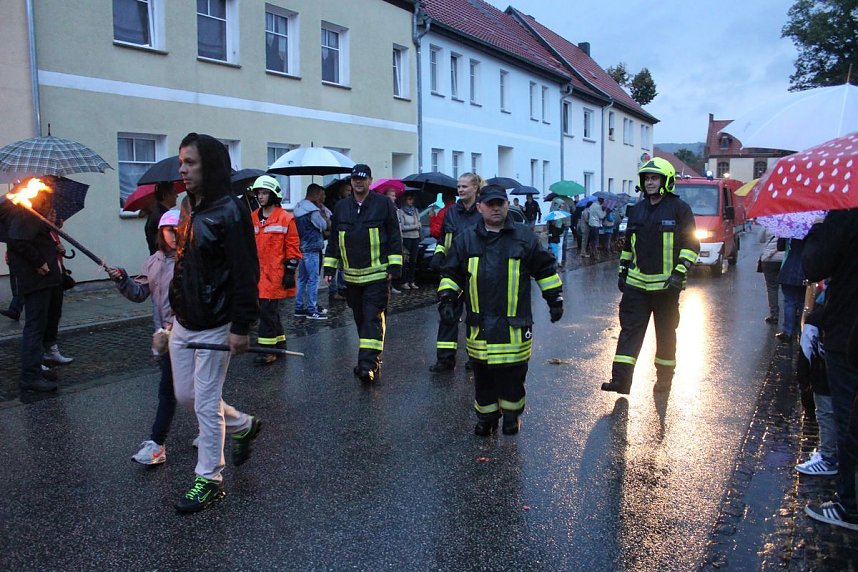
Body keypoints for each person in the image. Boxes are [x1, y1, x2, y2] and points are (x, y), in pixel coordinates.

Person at [168, 132, 261, 513]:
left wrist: (241, 326)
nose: (183, 170)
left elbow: (246, 272)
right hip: (184, 321)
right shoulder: (187, 207)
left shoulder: (231, 210)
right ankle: (243, 425)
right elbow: (184, 264)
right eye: (181, 163)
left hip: (217, 322)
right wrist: (169, 316)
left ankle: (209, 478)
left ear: (211, 164)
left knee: (205, 402)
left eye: (190, 162)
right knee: (185, 397)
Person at [438, 184, 563, 435]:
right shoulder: (466, 239)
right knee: (482, 377)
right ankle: (486, 419)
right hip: (480, 324)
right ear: (480, 207)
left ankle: (511, 416)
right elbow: (451, 273)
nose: (496, 208)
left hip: (513, 326)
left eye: (500, 204)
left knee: (513, 376)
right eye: (490, 204)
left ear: (507, 206)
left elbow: (545, 271)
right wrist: (447, 300)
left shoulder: (524, 237)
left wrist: (555, 299)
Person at [602, 157, 699, 395]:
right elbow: (628, 245)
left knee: (665, 334)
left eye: (654, 178)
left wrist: (680, 271)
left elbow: (692, 244)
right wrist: (623, 270)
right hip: (636, 286)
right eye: (646, 178)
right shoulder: (636, 209)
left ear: (666, 180)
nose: (649, 182)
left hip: (667, 287)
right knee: (629, 332)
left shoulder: (679, 209)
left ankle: (664, 378)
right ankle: (620, 381)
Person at [107, 208, 181, 465]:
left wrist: (174, 327)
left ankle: (157, 444)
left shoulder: (191, 262)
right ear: (161, 232)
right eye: (169, 230)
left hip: (184, 338)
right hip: (163, 340)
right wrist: (122, 279)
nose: (174, 235)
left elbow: (194, 301)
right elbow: (139, 293)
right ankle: (220, 427)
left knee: (177, 391)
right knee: (182, 390)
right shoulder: (153, 261)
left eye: (178, 230)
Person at [802, 208, 858, 531]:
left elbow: (814, 264)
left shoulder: (846, 211)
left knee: (850, 415)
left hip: (850, 333)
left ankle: (850, 505)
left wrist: (818, 229)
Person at [323, 163, 402, 383]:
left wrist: (395, 266)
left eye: (362, 178)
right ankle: (371, 354)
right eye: (354, 179)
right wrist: (329, 266)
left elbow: (395, 236)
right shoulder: (341, 207)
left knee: (371, 319)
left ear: (370, 181)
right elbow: (334, 240)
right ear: (351, 181)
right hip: (351, 277)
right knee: (360, 319)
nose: (358, 182)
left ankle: (367, 365)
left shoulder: (384, 204)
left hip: (377, 275)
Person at [6, 185, 64, 392]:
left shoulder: (32, 213)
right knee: (35, 327)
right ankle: (30, 376)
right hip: (37, 279)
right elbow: (18, 242)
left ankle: (36, 368)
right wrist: (39, 262)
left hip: (45, 280)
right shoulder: (24, 211)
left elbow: (33, 238)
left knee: (40, 326)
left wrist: (53, 242)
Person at [428, 172, 484, 372]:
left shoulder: (482, 211)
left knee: (476, 317)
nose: (460, 190)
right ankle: (445, 360)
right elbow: (444, 240)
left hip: (477, 271)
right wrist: (438, 254)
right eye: (459, 186)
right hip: (452, 271)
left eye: (464, 186)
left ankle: (475, 358)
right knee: (447, 312)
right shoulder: (452, 212)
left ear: (476, 188)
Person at [250, 175, 301, 364]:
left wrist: (289, 271)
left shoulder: (285, 218)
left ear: (273, 195)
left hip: (275, 275)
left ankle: (267, 351)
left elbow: (293, 247)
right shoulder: (253, 217)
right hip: (258, 274)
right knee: (269, 311)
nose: (260, 197)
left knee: (267, 312)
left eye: (264, 193)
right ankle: (279, 345)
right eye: (258, 193)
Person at [294, 183, 330, 321]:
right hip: (313, 248)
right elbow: (324, 225)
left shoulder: (298, 208)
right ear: (314, 194)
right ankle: (312, 309)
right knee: (313, 279)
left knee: (302, 279)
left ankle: (299, 307)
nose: (323, 197)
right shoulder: (312, 211)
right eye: (321, 194)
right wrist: (322, 212)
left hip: (302, 247)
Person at [776, 237, 806, 342]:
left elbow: (780, 247)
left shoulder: (789, 229)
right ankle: (802, 332)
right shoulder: (813, 230)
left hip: (789, 269)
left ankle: (788, 332)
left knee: (789, 301)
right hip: (806, 269)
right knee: (803, 302)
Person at [327, 178, 351, 304]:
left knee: (342, 265)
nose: (349, 192)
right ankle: (334, 290)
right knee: (335, 266)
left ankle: (342, 288)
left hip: (344, 238)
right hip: (336, 238)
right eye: (347, 190)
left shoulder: (346, 203)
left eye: (350, 190)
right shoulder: (335, 203)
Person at [144, 182, 179, 255]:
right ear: (165, 196)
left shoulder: (156, 213)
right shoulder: (162, 217)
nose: (177, 196)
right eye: (174, 192)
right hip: (164, 260)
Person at [397, 191, 422, 290]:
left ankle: (412, 281)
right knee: (405, 261)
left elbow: (419, 222)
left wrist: (417, 225)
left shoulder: (415, 210)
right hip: (406, 238)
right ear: (405, 200)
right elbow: (402, 227)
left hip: (416, 237)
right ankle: (404, 281)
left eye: (412, 199)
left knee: (413, 261)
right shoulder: (401, 211)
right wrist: (414, 226)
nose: (411, 201)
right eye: (409, 199)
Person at [758, 229, 784, 324]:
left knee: (772, 288)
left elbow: (760, 239)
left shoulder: (768, 222)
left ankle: (774, 315)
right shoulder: (790, 223)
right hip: (784, 259)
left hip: (769, 259)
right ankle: (790, 315)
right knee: (786, 289)